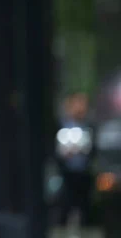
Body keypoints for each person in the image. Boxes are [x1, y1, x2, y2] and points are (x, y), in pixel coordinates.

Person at [55, 92, 95, 227]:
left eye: (83, 104)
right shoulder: (60, 125)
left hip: (84, 174)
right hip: (66, 175)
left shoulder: (89, 126)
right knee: (64, 209)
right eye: (77, 104)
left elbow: (93, 150)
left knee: (85, 210)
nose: (80, 108)